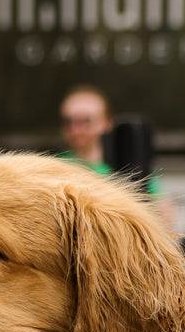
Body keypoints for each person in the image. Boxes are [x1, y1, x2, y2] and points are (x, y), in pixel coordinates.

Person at [58, 85, 177, 229]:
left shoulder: (129, 168)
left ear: (107, 122)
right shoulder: (54, 168)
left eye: (86, 121)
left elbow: (166, 220)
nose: (76, 130)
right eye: (69, 122)